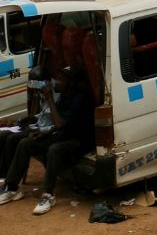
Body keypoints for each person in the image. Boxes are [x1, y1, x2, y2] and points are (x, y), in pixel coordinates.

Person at [0, 66, 94, 215]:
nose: (57, 82)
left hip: (78, 140)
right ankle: (12, 187)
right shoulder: (65, 96)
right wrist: (43, 133)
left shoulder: (80, 99)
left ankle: (48, 195)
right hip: (63, 135)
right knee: (26, 143)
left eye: (62, 79)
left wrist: (50, 98)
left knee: (54, 149)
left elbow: (61, 124)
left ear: (72, 83)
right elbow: (57, 127)